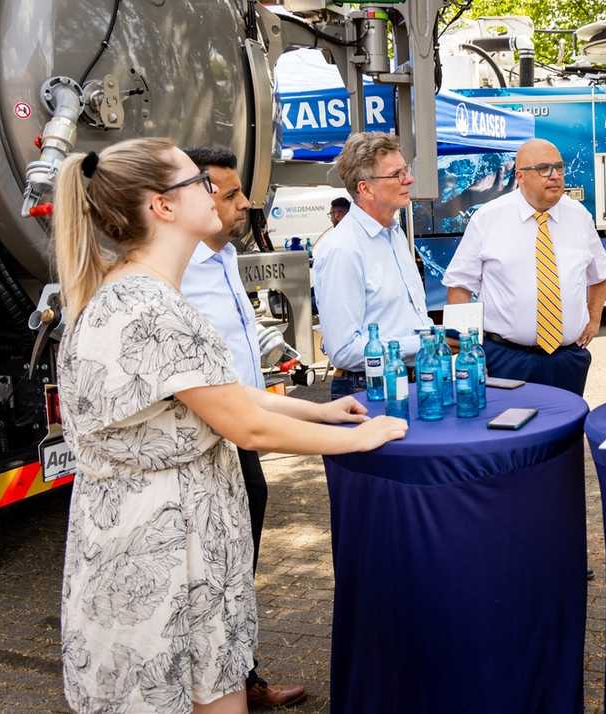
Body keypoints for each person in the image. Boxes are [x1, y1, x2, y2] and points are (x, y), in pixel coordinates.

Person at [54, 138, 407, 713]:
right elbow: (248, 428)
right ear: (162, 206)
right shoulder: (152, 308)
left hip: (156, 537)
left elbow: (217, 398)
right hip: (165, 549)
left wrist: (318, 410)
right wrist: (357, 439)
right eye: (197, 181)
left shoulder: (131, 292)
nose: (217, 192)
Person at [180, 145, 307, 708]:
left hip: (242, 434)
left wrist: (276, 347)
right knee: (211, 573)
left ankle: (239, 676)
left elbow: (237, 333)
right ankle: (212, 685)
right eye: (230, 194)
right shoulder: (175, 273)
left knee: (238, 567)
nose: (243, 204)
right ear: (195, 198)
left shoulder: (224, 258)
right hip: (210, 443)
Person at [443, 139, 606, 396]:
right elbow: (460, 285)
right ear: (520, 176)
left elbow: (600, 274)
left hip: (567, 361)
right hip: (507, 360)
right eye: (544, 168)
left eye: (559, 167)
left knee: (567, 433)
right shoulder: (488, 218)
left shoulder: (579, 216)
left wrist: (594, 319)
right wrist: (467, 349)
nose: (555, 176)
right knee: (510, 431)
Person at [313, 132, 434, 399]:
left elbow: (403, 317)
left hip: (408, 380)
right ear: (365, 188)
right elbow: (343, 350)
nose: (409, 180)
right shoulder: (342, 249)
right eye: (396, 174)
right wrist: (425, 343)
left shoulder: (394, 232)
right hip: (368, 388)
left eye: (407, 170)